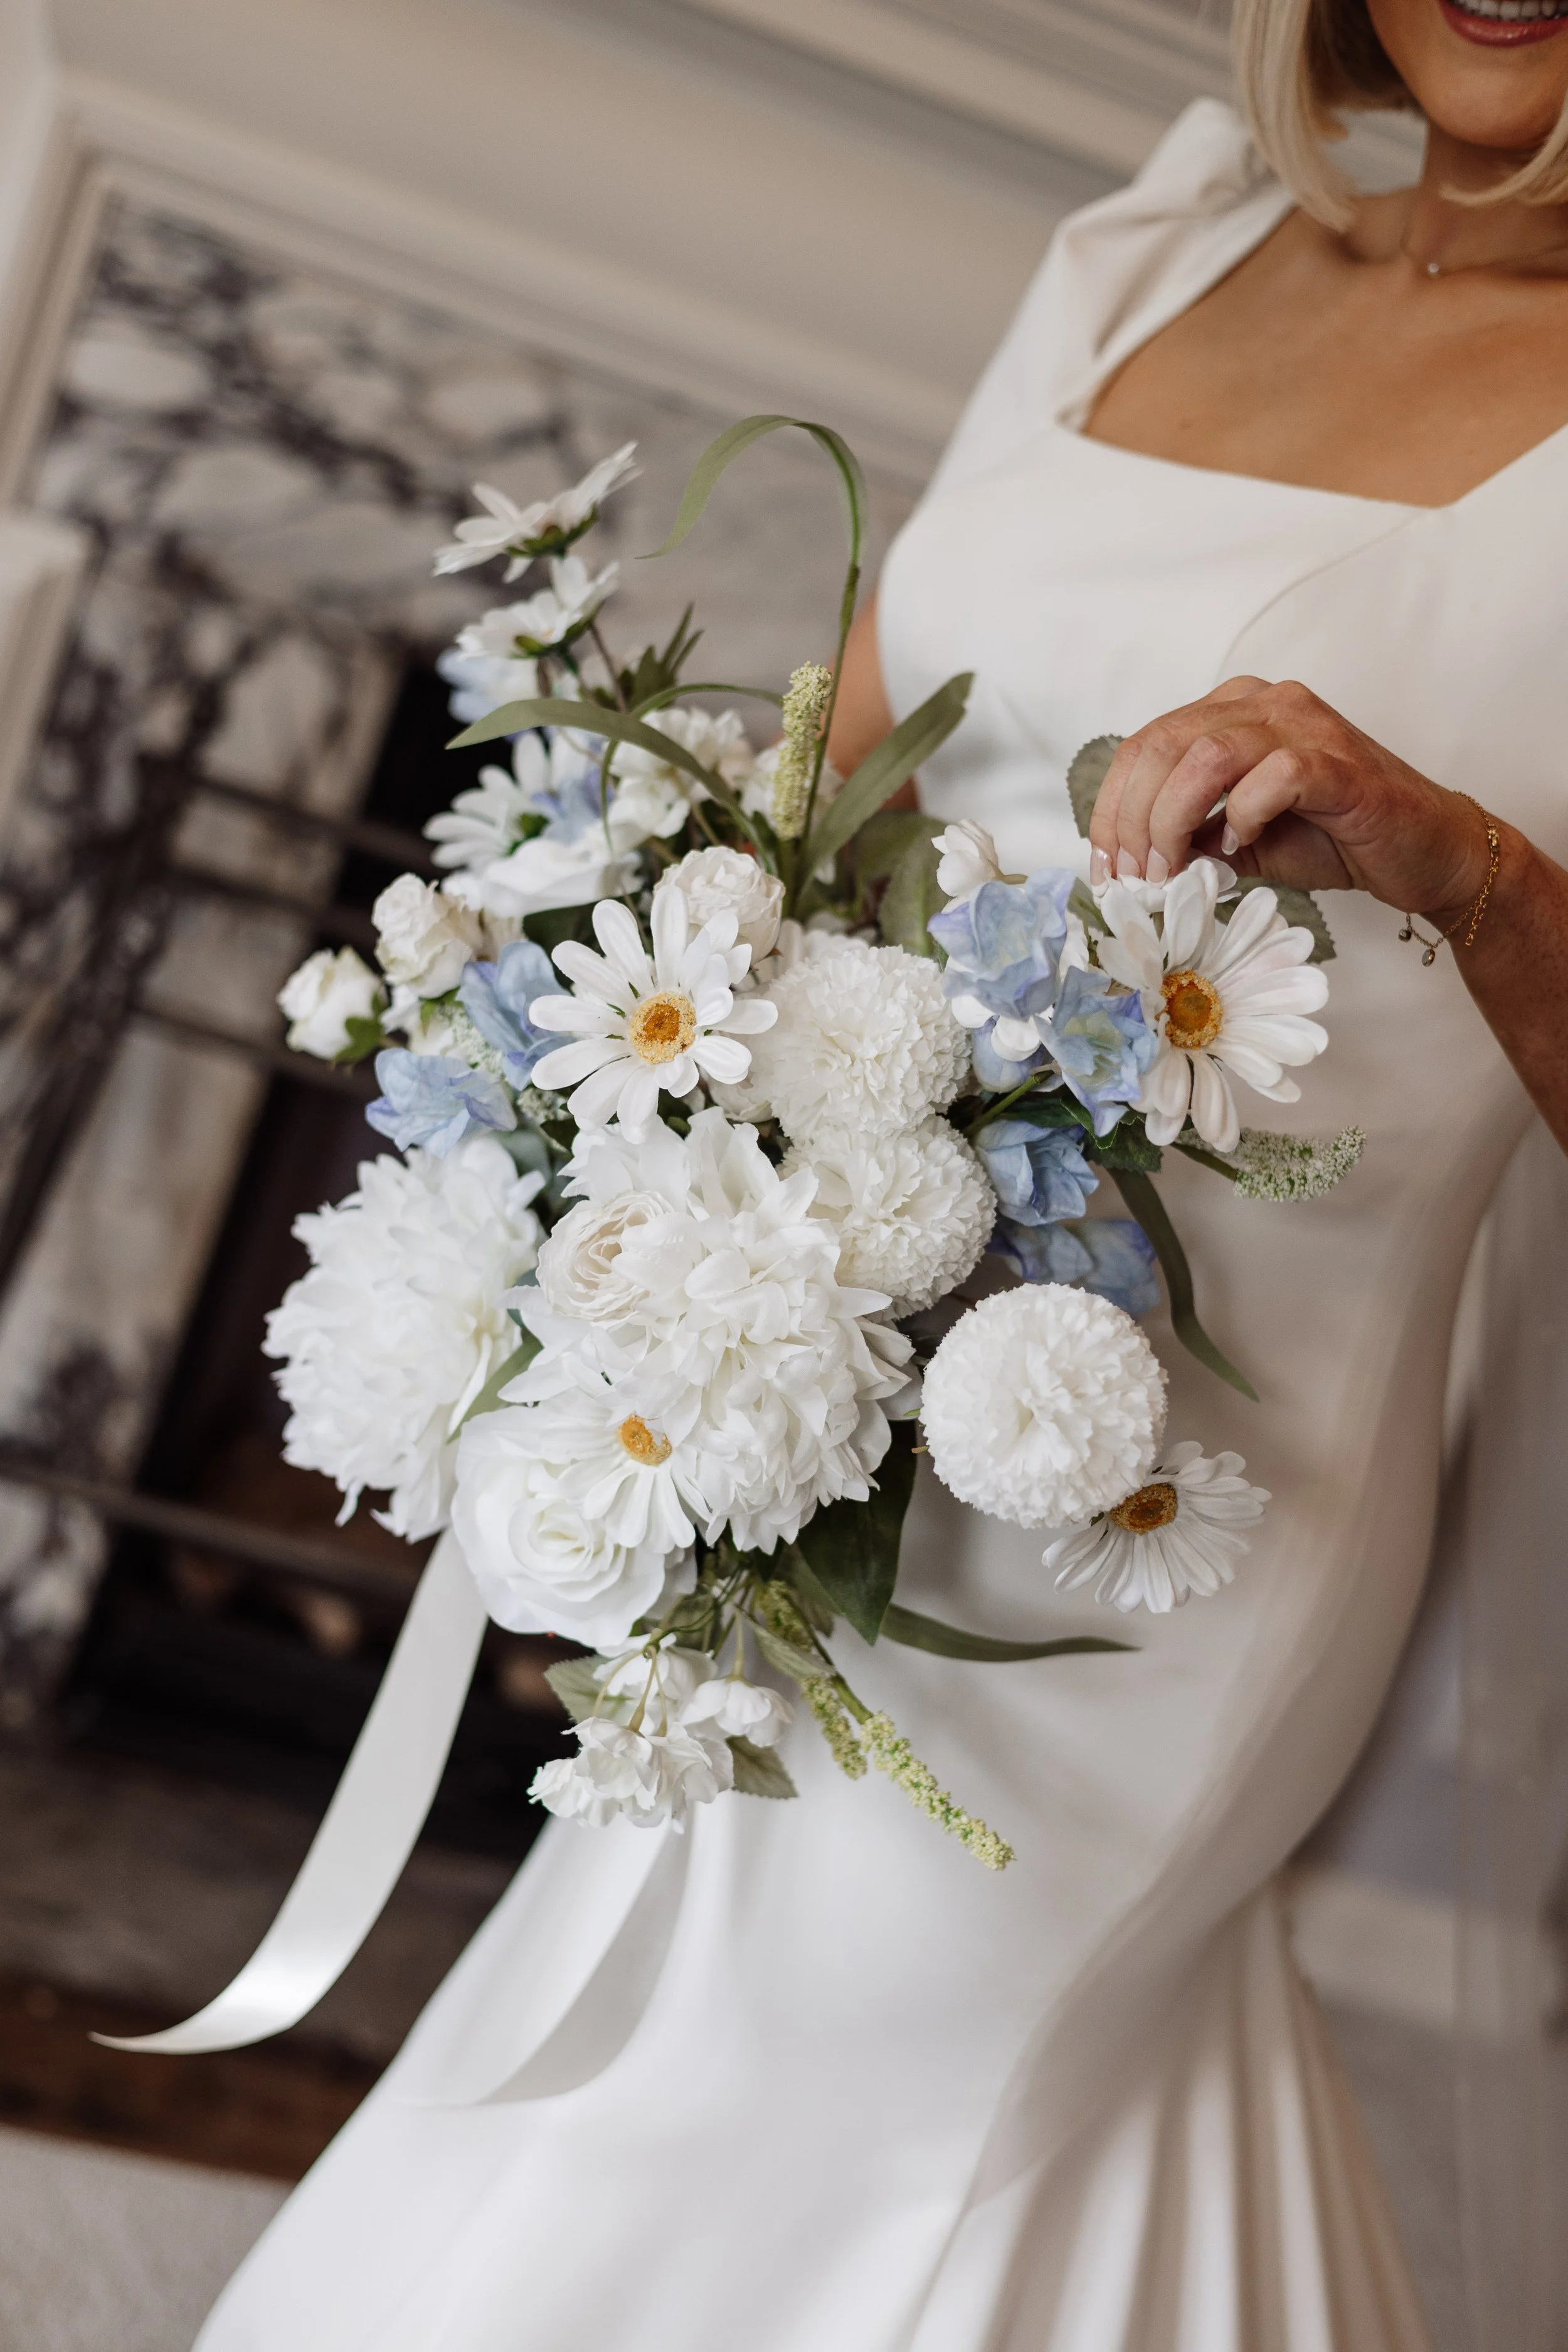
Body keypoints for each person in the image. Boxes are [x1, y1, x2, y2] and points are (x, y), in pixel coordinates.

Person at [197, 2, 1568, 2345]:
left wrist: (1471, 872)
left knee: (813, 2097)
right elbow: (844, 775)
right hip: (834, 1361)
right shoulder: (1164, 236)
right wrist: (608, 1102)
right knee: (691, 2021)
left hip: (1173, 1521)